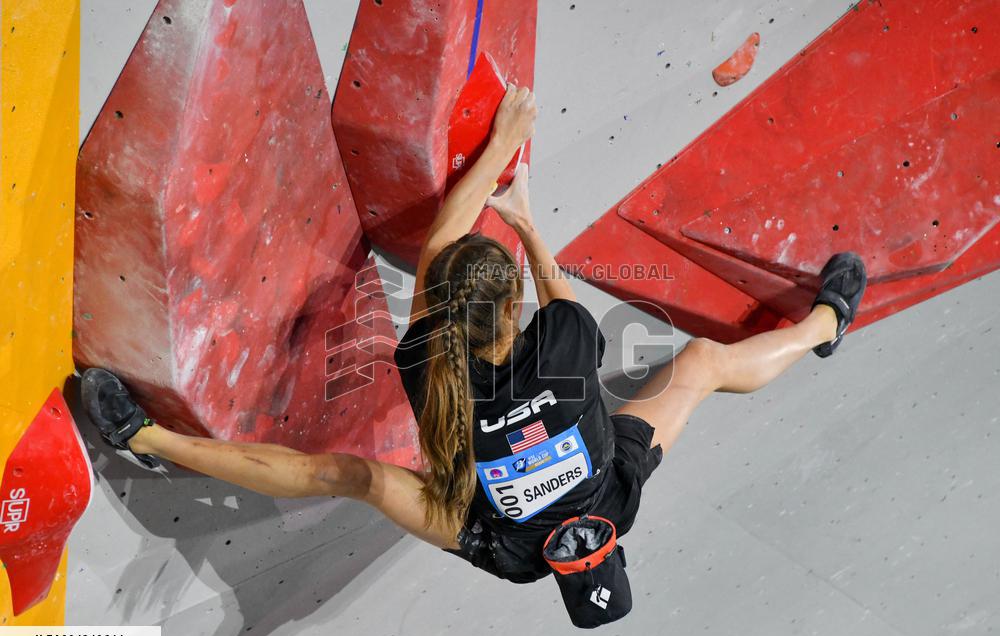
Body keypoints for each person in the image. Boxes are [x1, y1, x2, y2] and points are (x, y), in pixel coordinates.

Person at [82, 84, 867, 589]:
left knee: (356, 478)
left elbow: (522, 279)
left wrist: (508, 174)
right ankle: (826, 324)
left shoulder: (545, 352)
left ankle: (147, 436)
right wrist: (522, 225)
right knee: (699, 364)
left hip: (498, 535)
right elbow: (456, 269)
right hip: (592, 473)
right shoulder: (605, 484)